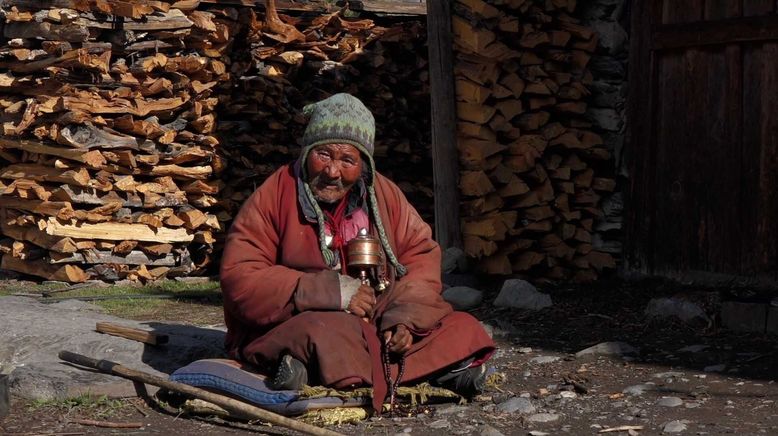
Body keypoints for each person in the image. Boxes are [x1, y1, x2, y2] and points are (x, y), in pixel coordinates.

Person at [220, 93, 495, 410]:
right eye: (323, 155)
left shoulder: (383, 194)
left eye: (347, 160)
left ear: (363, 163)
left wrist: (403, 320)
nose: (333, 171)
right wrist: (328, 291)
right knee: (321, 333)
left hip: (376, 319)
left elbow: (419, 257)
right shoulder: (274, 194)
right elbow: (240, 279)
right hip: (306, 319)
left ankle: (313, 370)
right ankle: (440, 371)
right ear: (307, 151)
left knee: (462, 327)